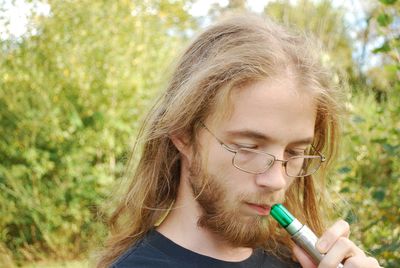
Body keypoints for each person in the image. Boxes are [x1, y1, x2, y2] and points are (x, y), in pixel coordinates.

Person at [96, 13, 381, 268]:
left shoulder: (302, 263)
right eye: (248, 147)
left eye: (295, 152)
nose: (277, 180)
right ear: (183, 134)